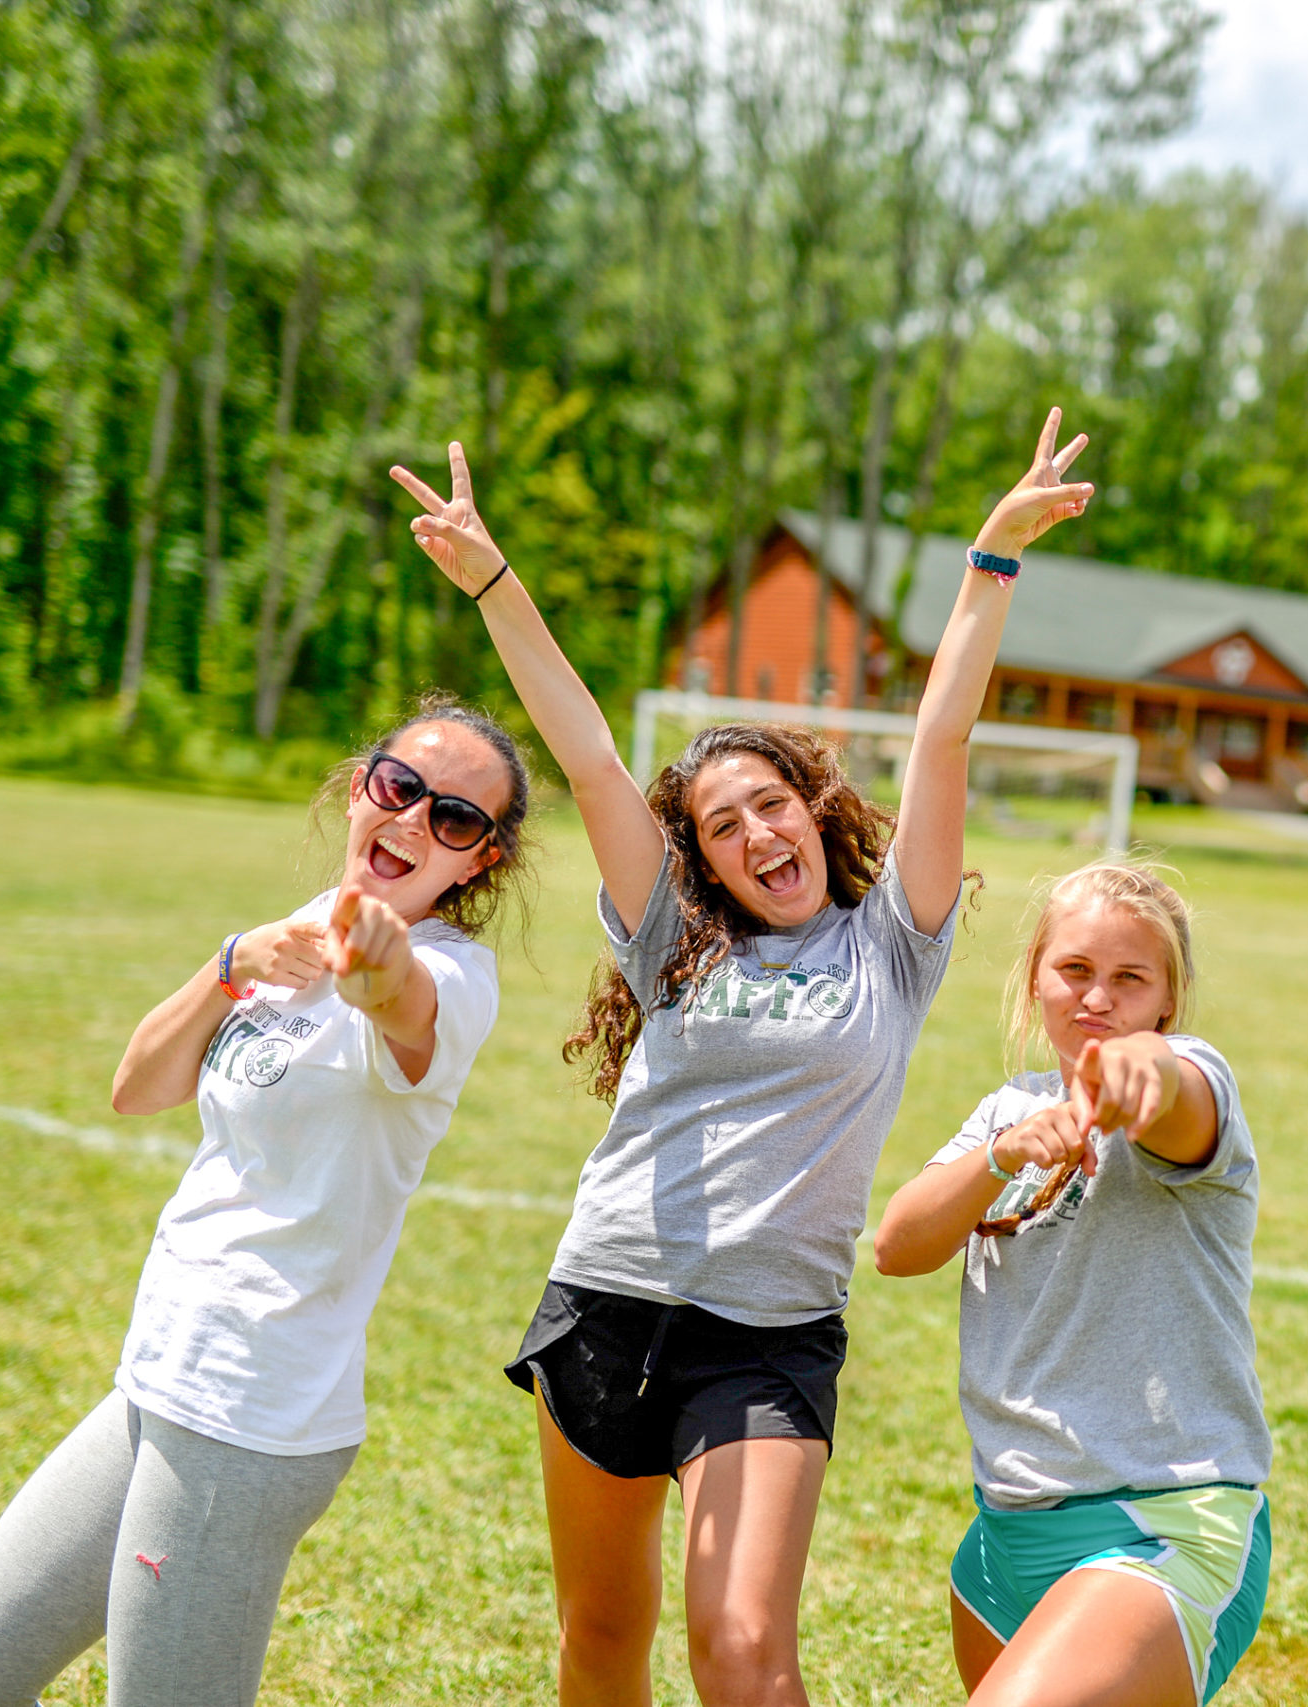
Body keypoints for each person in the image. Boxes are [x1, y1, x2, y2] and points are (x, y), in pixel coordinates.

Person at [391, 410, 1093, 1707]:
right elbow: (590, 755)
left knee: (744, 1650)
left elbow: (940, 741)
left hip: (764, 1343)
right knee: (602, 1637)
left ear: (813, 809)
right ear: (698, 861)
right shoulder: (671, 935)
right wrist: (494, 581)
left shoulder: (892, 945)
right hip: (604, 1302)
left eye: (773, 800)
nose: (759, 830)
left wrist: (988, 561)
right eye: (723, 823)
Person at [0, 699, 532, 1707]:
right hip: (158, 1380)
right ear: (363, 788)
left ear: (479, 862)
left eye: (454, 819)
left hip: (250, 1419)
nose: (415, 820)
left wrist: (377, 948)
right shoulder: (281, 945)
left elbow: (398, 1002)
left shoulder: (455, 978)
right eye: (400, 787)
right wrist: (229, 962)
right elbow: (139, 1085)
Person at [872, 862, 1271, 1707]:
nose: (1098, 997)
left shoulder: (1189, 1075)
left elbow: (1171, 1090)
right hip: (1003, 1542)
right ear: (1037, 979)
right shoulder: (1006, 1109)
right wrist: (1000, 1155)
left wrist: (1136, 1069)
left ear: (1167, 997)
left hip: (1159, 1527)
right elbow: (899, 1245)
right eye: (1076, 971)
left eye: (1131, 979)